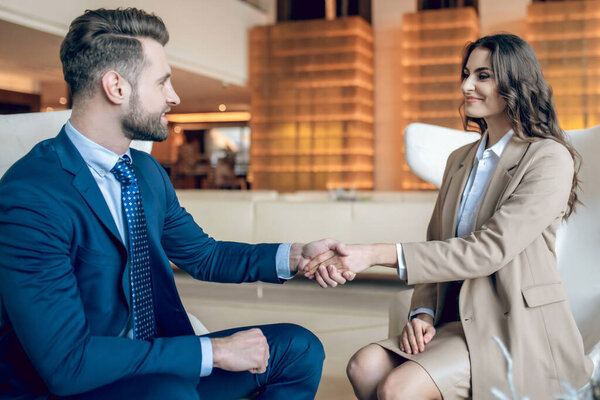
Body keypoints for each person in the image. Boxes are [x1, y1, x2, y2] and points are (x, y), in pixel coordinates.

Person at [0, 8, 352, 400]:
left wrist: (296, 255)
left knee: (298, 350)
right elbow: (68, 363)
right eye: (163, 82)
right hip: (79, 382)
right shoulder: (31, 195)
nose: (174, 97)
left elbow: (205, 256)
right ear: (116, 87)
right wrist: (213, 351)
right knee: (171, 393)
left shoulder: (145, 172)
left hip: (158, 363)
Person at [304, 34, 593, 399]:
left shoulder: (548, 157)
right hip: (453, 318)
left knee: (397, 388)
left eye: (483, 75)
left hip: (511, 325)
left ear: (516, 83)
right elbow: (437, 244)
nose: (466, 86)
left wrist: (374, 254)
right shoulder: (459, 158)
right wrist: (422, 312)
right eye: (466, 73)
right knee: (363, 366)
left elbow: (487, 250)